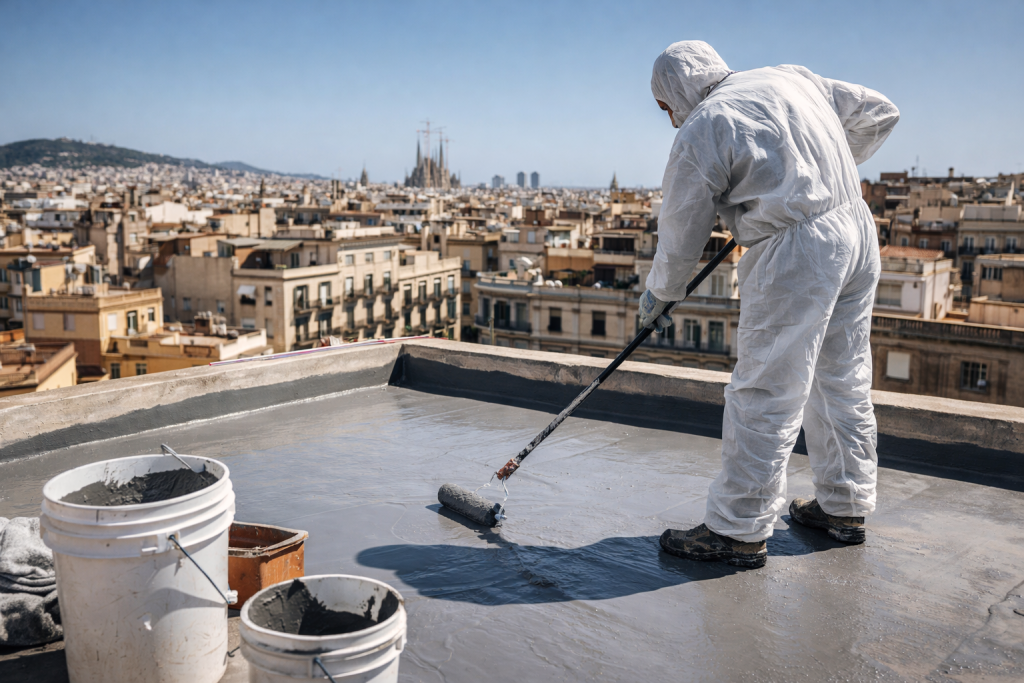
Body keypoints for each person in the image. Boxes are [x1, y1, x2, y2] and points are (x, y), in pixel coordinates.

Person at [638, 41, 899, 568]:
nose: (670, 119)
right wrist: (812, 171)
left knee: (765, 389)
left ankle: (737, 529)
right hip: (855, 228)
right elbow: (880, 112)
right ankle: (845, 506)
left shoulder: (704, 124)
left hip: (797, 252)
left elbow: (682, 228)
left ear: (676, 89)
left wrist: (661, 293)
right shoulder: (791, 77)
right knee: (842, 376)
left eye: (666, 106)